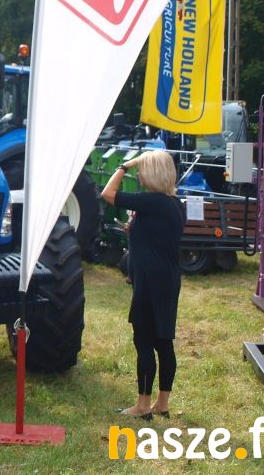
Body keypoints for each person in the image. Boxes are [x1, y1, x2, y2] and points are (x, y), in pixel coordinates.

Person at [100, 150, 185, 420]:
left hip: (150, 281)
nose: (138, 175)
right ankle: (163, 404)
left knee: (144, 341)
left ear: (152, 173)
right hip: (167, 279)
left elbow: (108, 193)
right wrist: (134, 230)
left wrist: (125, 165)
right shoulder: (174, 203)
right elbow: (157, 236)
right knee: (164, 341)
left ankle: (142, 406)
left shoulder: (152, 201)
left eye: (142, 171)